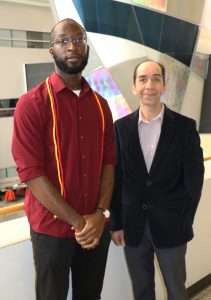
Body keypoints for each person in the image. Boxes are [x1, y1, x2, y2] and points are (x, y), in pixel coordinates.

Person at [12, 18, 115, 300]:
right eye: (63, 40)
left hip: (95, 227)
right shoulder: (31, 104)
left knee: (90, 296)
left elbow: (109, 162)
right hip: (52, 232)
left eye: (79, 40)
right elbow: (32, 174)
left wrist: (100, 214)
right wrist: (80, 223)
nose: (72, 46)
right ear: (52, 49)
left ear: (86, 47)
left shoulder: (101, 106)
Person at [110, 60, 204, 300]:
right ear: (134, 87)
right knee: (141, 291)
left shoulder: (184, 127)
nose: (149, 85)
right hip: (133, 228)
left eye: (155, 78)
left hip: (172, 226)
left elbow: (194, 181)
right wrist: (116, 223)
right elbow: (117, 180)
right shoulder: (120, 129)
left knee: (177, 291)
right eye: (143, 79)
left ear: (164, 86)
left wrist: (184, 219)